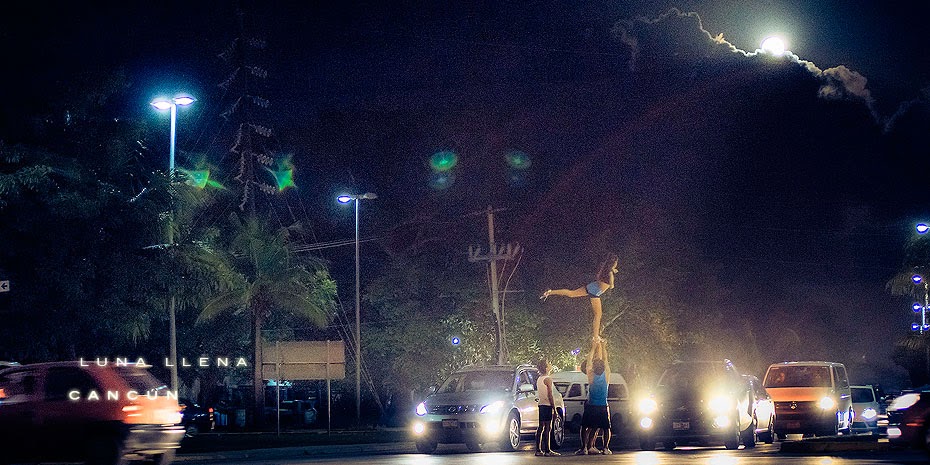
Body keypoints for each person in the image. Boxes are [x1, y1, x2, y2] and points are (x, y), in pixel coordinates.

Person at [541, 253, 619, 341]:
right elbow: (612, 286)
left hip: (591, 286)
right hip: (595, 292)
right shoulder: (610, 273)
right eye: (616, 262)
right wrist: (612, 275)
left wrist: (612, 270)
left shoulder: (604, 269)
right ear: (614, 263)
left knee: (571, 293)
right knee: (598, 315)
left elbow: (599, 277)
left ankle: (550, 292)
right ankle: (595, 336)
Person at [583, 338, 612, 455]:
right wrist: (603, 346)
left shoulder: (591, 375)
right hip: (602, 405)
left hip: (591, 405)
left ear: (594, 367)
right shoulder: (606, 375)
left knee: (589, 426)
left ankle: (586, 447)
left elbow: (589, 362)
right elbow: (606, 360)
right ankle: (605, 448)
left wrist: (593, 346)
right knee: (606, 428)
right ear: (603, 367)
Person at [534, 359, 560, 457]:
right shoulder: (548, 379)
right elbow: (550, 395)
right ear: (546, 368)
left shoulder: (539, 379)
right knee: (548, 427)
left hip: (541, 404)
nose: (550, 365)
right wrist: (554, 408)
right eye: (549, 364)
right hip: (547, 405)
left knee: (541, 427)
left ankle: (538, 449)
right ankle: (547, 450)